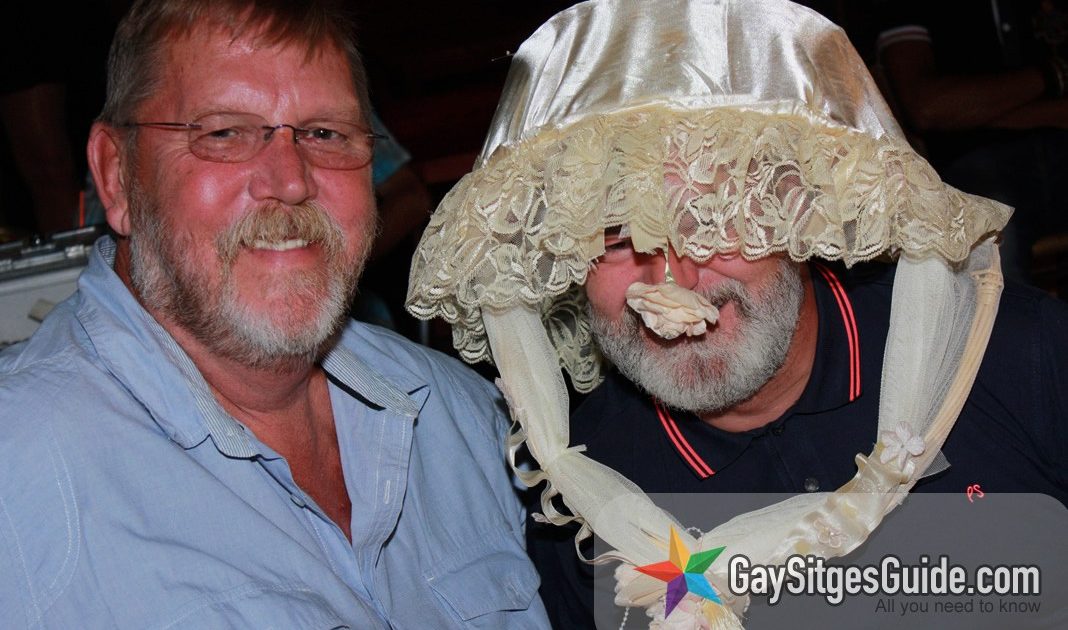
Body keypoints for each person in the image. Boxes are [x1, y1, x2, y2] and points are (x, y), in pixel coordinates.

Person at [406, 0, 1067, 627]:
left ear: (798, 211)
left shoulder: (1013, 358)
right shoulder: (587, 499)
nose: (674, 280)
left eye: (709, 218)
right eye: (616, 238)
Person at [0, 1, 549, 627]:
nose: (290, 181)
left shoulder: (466, 420)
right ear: (117, 175)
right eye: (224, 133)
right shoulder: (18, 482)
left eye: (325, 134)